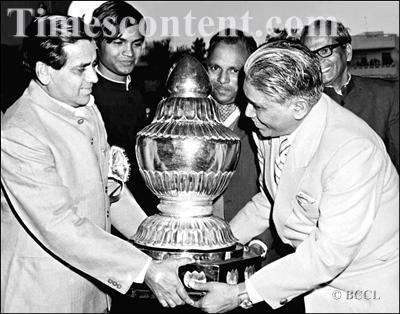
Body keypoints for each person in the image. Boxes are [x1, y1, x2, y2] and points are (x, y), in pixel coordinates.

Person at [188, 40, 399, 313]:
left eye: (258, 106)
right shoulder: (269, 123)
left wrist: (241, 293)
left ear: (299, 107)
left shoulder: (353, 151)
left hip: (363, 287)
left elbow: (327, 256)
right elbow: (274, 197)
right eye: (248, 101)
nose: (248, 113)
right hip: (307, 273)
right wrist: (219, 243)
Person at [1, 15, 194, 313]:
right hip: (44, 296)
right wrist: (145, 269)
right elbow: (60, 227)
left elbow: (110, 192)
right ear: (44, 72)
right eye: (81, 69)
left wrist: (159, 246)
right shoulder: (19, 132)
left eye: (93, 65)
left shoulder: (87, 108)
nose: (93, 77)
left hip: (95, 293)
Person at [300, 19, 399, 172]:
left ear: (347, 52)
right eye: (310, 56)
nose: (318, 61)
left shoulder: (386, 95)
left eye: (325, 51)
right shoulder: (300, 104)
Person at [89, 1, 158, 215]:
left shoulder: (143, 93)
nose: (129, 52)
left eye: (136, 44)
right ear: (97, 43)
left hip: (146, 210)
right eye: (118, 42)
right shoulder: (85, 96)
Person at [206, 28, 259, 222]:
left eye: (234, 70)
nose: (222, 80)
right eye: (215, 68)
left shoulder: (263, 126)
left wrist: (260, 243)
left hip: (250, 241)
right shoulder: (186, 118)